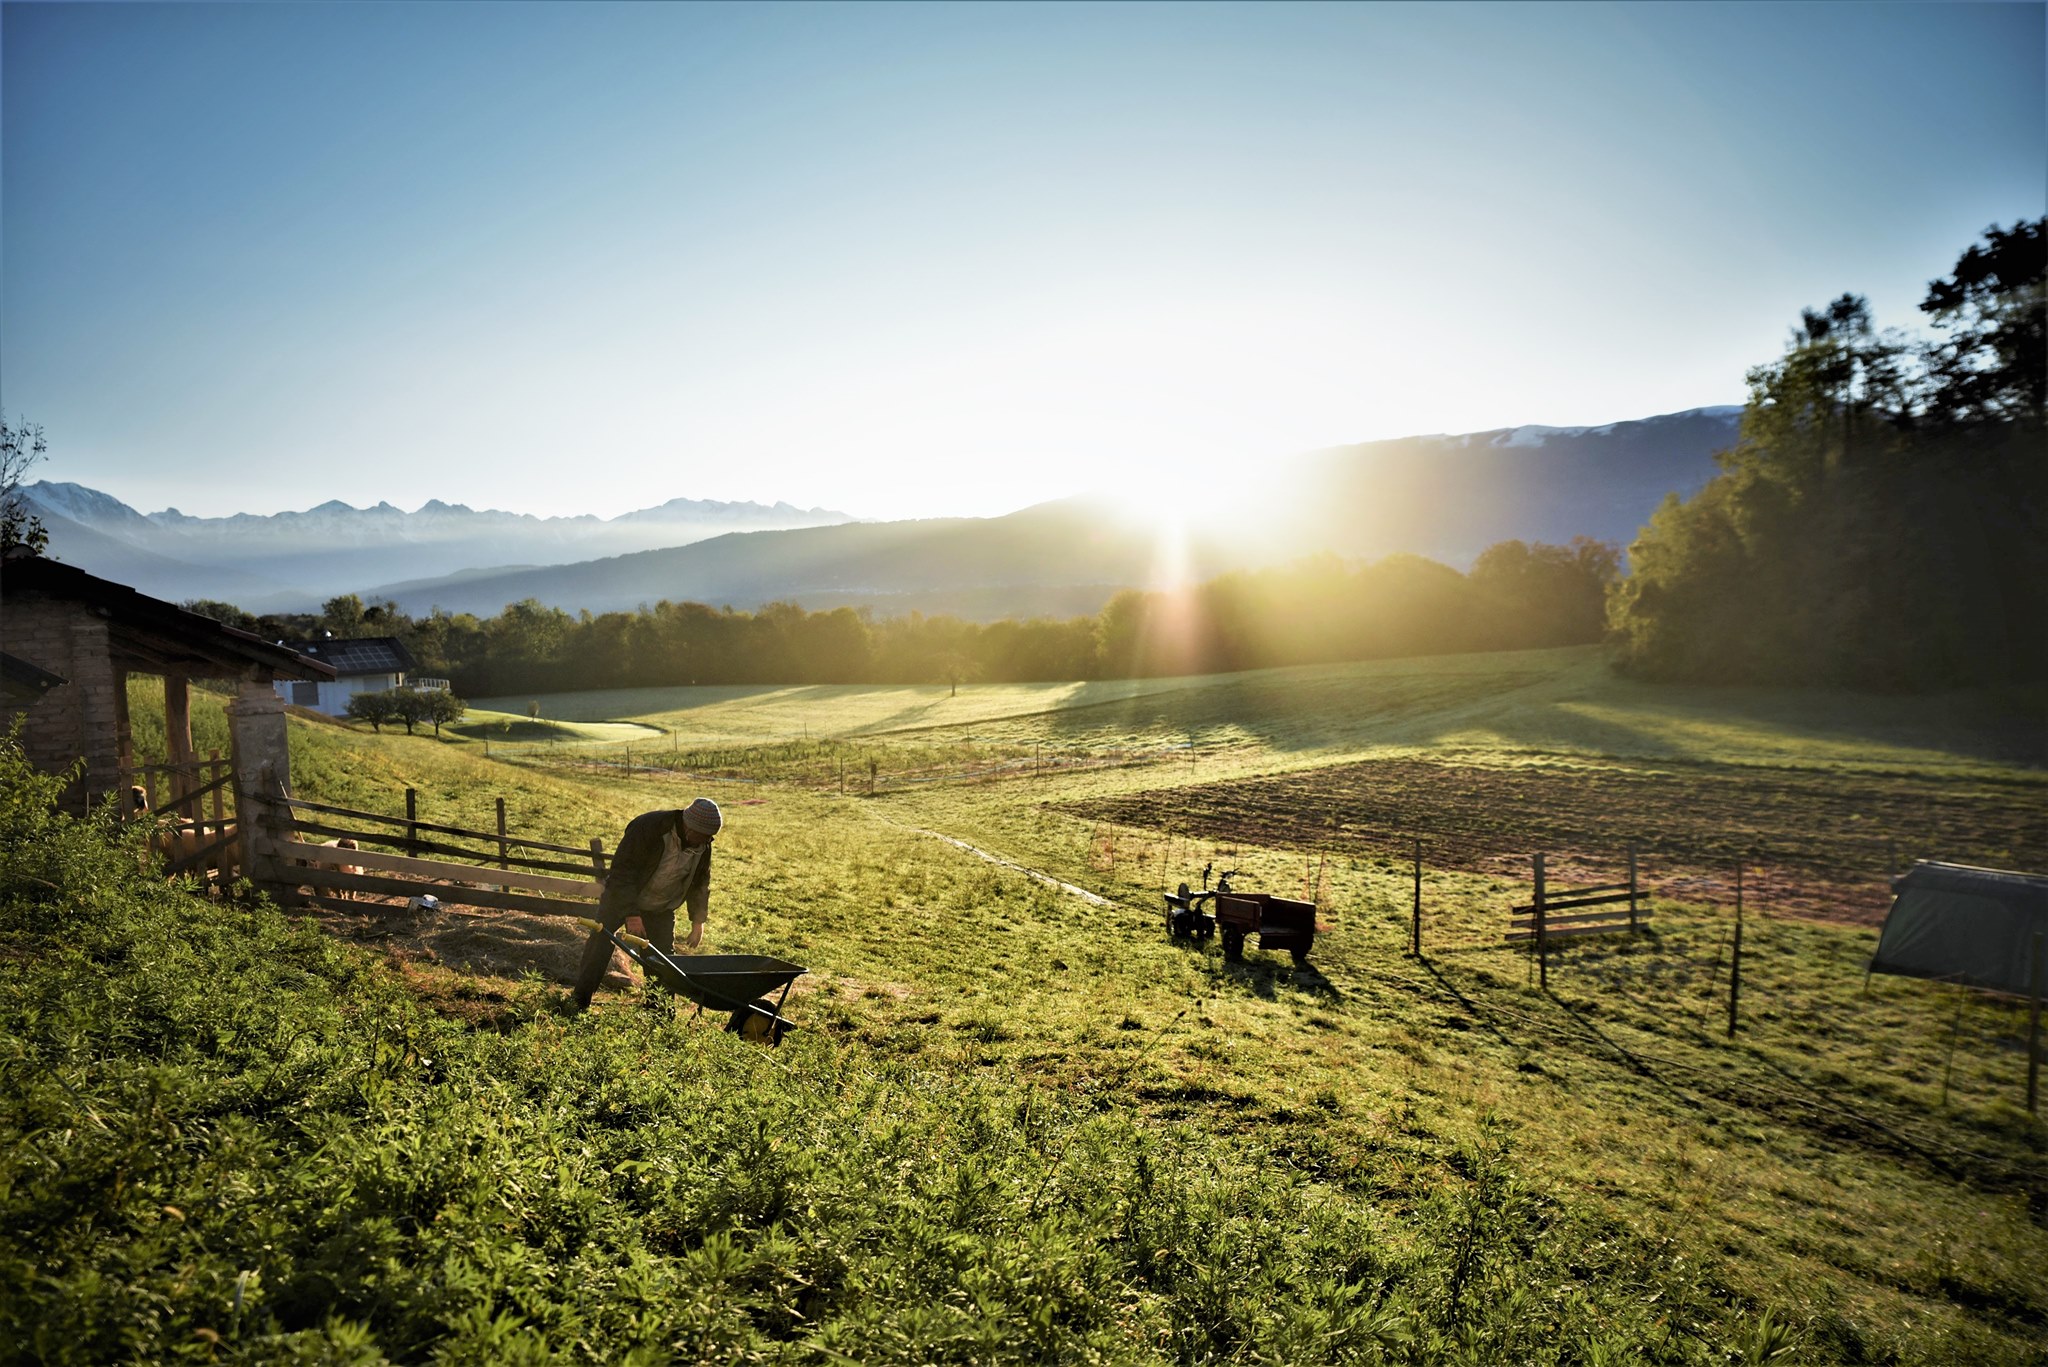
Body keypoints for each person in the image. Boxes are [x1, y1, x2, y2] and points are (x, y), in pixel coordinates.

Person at [571, 797, 722, 1009]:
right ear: (690, 827)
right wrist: (632, 914)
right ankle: (579, 1002)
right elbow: (623, 872)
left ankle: (659, 1013)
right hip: (620, 899)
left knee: (662, 962)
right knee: (599, 945)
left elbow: (700, 882)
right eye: (704, 836)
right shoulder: (649, 827)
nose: (707, 841)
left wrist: (698, 920)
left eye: (710, 837)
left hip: (660, 906)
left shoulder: (702, 844)